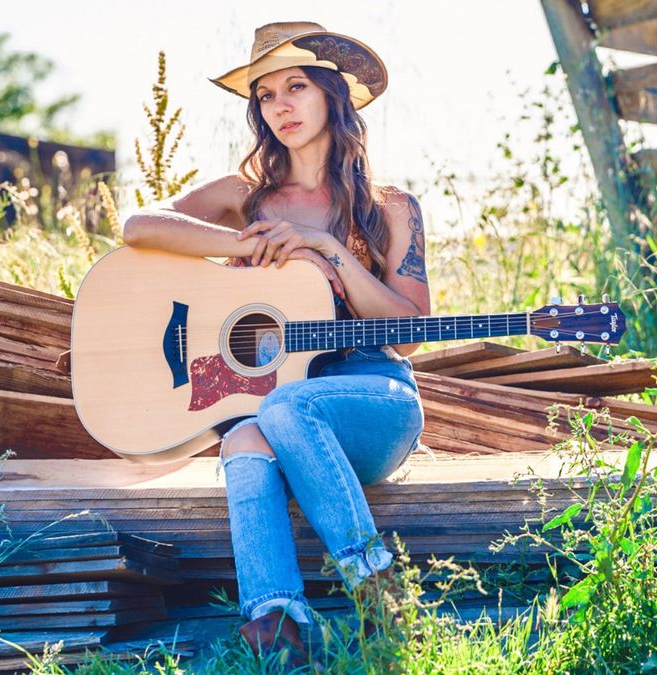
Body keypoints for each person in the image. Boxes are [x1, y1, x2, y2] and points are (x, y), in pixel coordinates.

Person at [120, 21, 429, 666]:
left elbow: (410, 335)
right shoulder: (245, 198)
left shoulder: (390, 207)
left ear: (333, 96)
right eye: (265, 95)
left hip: (373, 401)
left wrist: (329, 250)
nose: (280, 105)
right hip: (277, 401)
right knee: (244, 433)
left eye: (296, 87)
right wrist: (245, 244)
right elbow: (140, 225)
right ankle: (276, 627)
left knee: (283, 409)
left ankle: (380, 594)